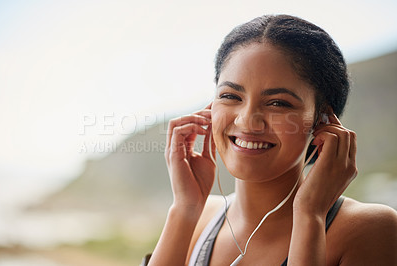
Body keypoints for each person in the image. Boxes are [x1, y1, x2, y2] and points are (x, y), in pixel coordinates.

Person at [146, 14, 397, 265]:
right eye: (231, 96)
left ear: (323, 121)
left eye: (277, 103)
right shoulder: (198, 219)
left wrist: (310, 216)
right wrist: (184, 209)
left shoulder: (369, 229)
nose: (247, 121)